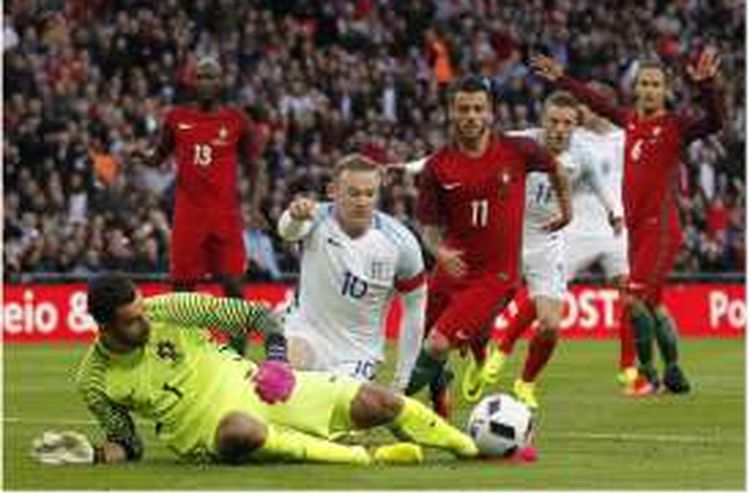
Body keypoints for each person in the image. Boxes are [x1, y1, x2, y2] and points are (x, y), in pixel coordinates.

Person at [31, 273, 477, 466]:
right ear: (104, 325)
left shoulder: (173, 308)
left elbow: (260, 318)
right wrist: (96, 454)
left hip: (263, 386)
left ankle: (469, 446)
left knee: (377, 399)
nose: (146, 322)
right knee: (239, 430)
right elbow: (129, 445)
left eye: (144, 310)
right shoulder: (93, 380)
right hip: (211, 433)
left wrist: (278, 361)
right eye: (132, 320)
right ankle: (367, 457)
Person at [531, 49, 723, 392]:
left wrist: (707, 86)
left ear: (665, 90)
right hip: (636, 232)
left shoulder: (675, 127)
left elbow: (715, 122)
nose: (649, 90)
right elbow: (595, 101)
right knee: (654, 303)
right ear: (635, 88)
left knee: (633, 301)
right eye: (644, 83)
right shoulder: (631, 121)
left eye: (655, 84)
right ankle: (675, 373)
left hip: (661, 231)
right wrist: (561, 78)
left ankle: (647, 374)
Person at [402, 75, 572, 415]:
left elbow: (556, 167)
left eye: (478, 109)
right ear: (451, 112)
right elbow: (429, 228)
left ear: (490, 113)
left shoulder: (516, 150)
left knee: (437, 344)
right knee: (426, 342)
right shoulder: (438, 167)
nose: (471, 116)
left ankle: (394, 405)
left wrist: (566, 210)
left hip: (495, 275)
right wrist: (439, 251)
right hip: (452, 270)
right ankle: (439, 398)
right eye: (463, 108)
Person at [479, 91, 621, 409]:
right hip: (509, 237)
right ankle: (483, 353)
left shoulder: (583, 155)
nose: (559, 129)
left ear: (575, 125)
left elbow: (600, 186)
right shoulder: (520, 141)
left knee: (550, 325)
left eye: (567, 123)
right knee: (484, 312)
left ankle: (525, 383)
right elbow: (470, 151)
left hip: (548, 242)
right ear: (543, 121)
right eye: (554, 121)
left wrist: (614, 213)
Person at [133, 56, 263, 355]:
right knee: (182, 289)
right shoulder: (176, 117)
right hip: (189, 215)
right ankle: (180, 351)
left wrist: (254, 206)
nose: (205, 83)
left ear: (221, 82)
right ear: (192, 82)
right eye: (200, 77)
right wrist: (143, 156)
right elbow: (159, 155)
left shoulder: (237, 120)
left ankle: (237, 354)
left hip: (225, 215)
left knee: (233, 285)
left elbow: (256, 166)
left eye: (211, 77)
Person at [278, 154, 426, 392]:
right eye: (353, 193)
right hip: (306, 333)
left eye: (370, 194)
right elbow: (288, 231)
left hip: (358, 354)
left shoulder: (401, 243)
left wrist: (402, 380)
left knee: (337, 411)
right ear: (332, 191)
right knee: (288, 379)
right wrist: (295, 216)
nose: (362, 201)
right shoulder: (314, 217)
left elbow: (415, 308)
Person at [566, 85, 648, 395]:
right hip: (576, 227)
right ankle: (503, 351)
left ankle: (628, 367)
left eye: (584, 104)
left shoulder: (625, 136)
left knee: (628, 295)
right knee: (544, 298)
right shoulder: (572, 138)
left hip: (616, 228)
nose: (579, 111)